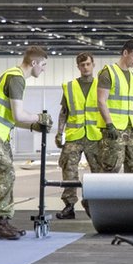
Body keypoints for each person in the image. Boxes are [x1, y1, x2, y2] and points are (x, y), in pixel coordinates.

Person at [0, 46, 52, 240]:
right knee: (5, 170)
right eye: (44, 65)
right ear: (34, 63)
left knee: (7, 172)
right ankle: (0, 223)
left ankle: (3, 220)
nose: (44, 69)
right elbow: (19, 114)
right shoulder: (17, 78)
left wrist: (34, 126)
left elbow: (14, 118)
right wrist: (40, 117)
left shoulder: (14, 76)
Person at [54, 53, 102, 219]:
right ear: (78, 67)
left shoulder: (101, 85)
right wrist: (59, 133)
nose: (85, 67)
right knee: (69, 170)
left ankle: (94, 203)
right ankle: (69, 206)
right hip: (75, 136)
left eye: (88, 64)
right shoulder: (70, 87)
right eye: (82, 65)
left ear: (93, 64)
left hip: (95, 136)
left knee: (98, 172)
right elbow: (64, 112)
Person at [96, 39, 133, 174]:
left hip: (130, 128)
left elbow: (130, 102)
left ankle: (131, 195)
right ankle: (104, 195)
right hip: (114, 129)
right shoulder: (108, 72)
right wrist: (109, 124)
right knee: (112, 166)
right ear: (125, 53)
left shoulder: (132, 75)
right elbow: (101, 100)